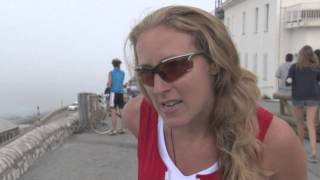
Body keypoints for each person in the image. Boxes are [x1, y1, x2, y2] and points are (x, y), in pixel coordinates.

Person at [123, 5, 306, 180]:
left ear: (215, 63)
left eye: (173, 66)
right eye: (146, 72)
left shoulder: (274, 141)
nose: (158, 88)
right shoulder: (138, 116)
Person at [286, 45, 320, 163]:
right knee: (311, 124)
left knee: (300, 123)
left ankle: (300, 150)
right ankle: (314, 153)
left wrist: (291, 80)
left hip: (298, 96)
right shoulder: (316, 67)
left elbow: (288, 81)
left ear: (300, 55)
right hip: (313, 96)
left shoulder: (294, 67)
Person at [107, 58, 125, 135]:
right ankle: (122, 128)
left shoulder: (111, 73)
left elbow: (109, 84)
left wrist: (108, 85)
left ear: (113, 64)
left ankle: (114, 130)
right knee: (122, 111)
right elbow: (121, 82)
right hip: (121, 93)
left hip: (113, 93)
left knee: (113, 111)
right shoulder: (123, 73)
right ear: (119, 64)